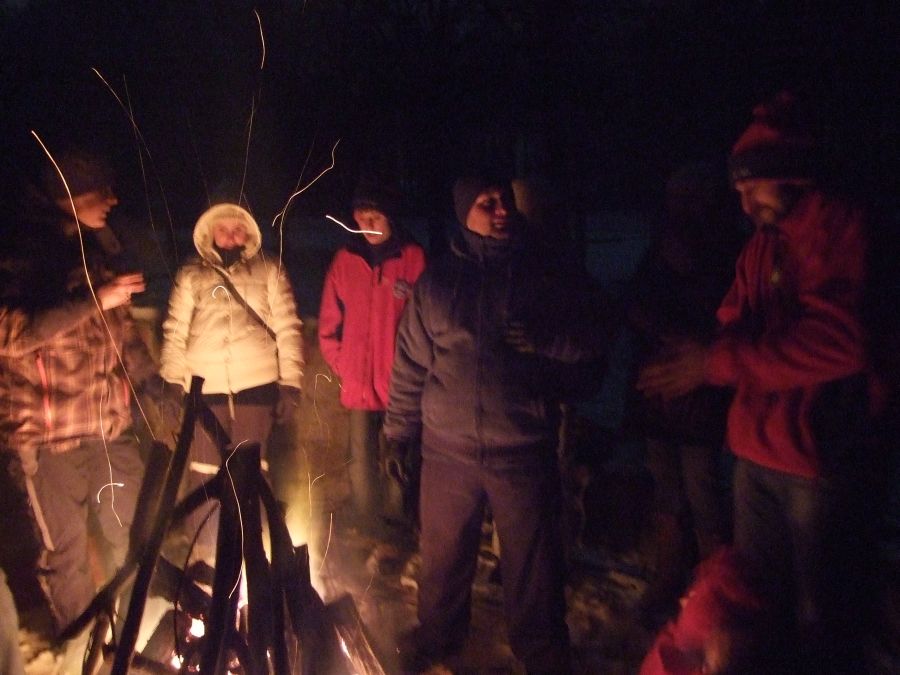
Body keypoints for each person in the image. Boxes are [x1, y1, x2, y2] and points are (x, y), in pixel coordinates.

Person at [637, 91, 879, 672]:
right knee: (753, 610)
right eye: (738, 192)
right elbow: (732, 317)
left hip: (817, 460)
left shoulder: (840, 230)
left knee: (822, 620)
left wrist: (720, 362)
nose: (744, 204)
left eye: (753, 188)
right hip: (755, 453)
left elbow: (843, 341)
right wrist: (709, 349)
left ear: (791, 174)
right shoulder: (761, 246)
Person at [385, 175, 607, 673]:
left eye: (505, 200)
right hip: (447, 450)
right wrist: (397, 434)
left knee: (532, 564)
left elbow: (593, 343)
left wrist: (547, 340)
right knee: (443, 558)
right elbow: (411, 366)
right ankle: (439, 637)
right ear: (464, 212)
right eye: (487, 203)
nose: (502, 209)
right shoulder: (439, 282)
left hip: (522, 447)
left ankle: (543, 651)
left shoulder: (544, 273)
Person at [0, 149, 158, 640]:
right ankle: (86, 648)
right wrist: (95, 300)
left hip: (107, 427)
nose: (113, 199)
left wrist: (151, 382)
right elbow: (13, 335)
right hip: (48, 437)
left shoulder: (96, 249)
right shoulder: (21, 250)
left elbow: (121, 330)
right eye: (100, 189)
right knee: (65, 553)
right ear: (69, 193)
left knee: (136, 532)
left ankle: (135, 638)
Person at [625, 161, 745, 623]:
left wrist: (687, 342)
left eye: (690, 197)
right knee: (666, 486)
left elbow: (726, 317)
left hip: (698, 393)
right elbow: (637, 302)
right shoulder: (659, 247)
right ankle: (669, 574)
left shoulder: (723, 248)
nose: (682, 205)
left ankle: (712, 588)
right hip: (659, 392)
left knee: (702, 488)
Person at [159, 202, 304, 561]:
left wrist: (291, 384)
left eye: (237, 229)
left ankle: (254, 552)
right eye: (223, 230)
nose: (230, 236)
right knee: (205, 471)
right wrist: (172, 383)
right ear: (209, 234)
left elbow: (288, 327)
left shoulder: (269, 270)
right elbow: (175, 331)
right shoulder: (191, 275)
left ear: (249, 233)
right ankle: (206, 554)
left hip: (257, 386)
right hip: (204, 387)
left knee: (252, 470)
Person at [317, 180, 426, 536]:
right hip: (359, 384)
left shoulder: (412, 258)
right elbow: (329, 321)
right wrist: (343, 364)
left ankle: (398, 525)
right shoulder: (345, 260)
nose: (367, 225)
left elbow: (425, 320)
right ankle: (366, 524)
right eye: (361, 218)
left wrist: (415, 371)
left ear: (390, 217)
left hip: (400, 386)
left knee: (399, 458)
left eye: (375, 217)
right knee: (360, 459)